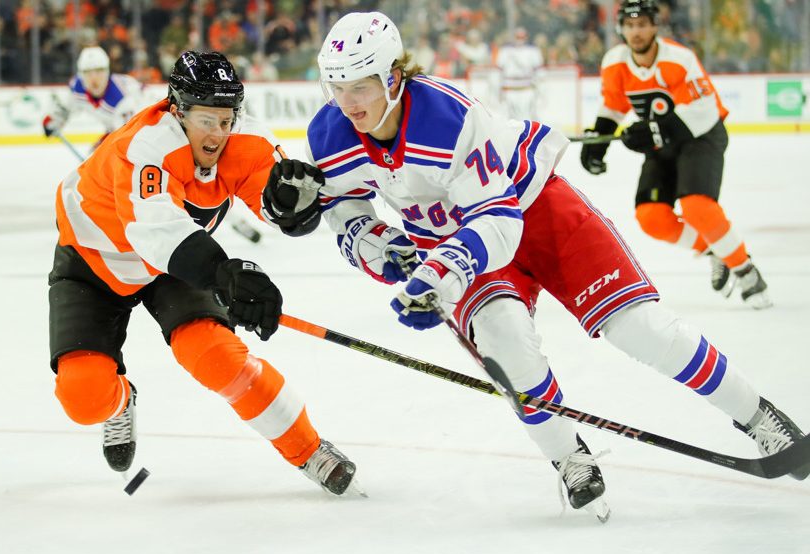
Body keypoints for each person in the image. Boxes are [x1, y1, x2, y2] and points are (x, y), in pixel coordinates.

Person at [263, 11, 808, 518]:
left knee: (642, 330)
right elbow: (349, 216)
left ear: (394, 77)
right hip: (459, 245)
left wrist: (438, 273)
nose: (348, 101)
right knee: (506, 346)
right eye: (336, 86)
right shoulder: (330, 133)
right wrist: (390, 252)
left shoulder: (446, 118)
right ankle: (569, 456)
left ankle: (760, 416)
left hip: (532, 210)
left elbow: (499, 219)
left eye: (360, 85)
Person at [48, 50, 357, 496]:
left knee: (216, 356)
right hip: (94, 262)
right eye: (205, 120)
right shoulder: (146, 146)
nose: (218, 133)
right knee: (83, 397)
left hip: (170, 263)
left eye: (226, 118)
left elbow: (277, 207)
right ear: (177, 111)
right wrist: (225, 273)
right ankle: (119, 403)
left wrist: (295, 209)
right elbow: (155, 231)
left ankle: (308, 449)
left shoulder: (244, 140)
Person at [580, 0, 770, 309]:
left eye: (642, 24)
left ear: (655, 26)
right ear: (621, 29)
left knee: (697, 208)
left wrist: (654, 131)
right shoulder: (614, 62)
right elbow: (614, 105)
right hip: (663, 144)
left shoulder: (679, 59)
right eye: (630, 25)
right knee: (652, 217)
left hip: (701, 137)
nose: (636, 31)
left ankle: (746, 271)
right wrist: (596, 143)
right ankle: (715, 251)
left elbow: (702, 110)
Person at [42, 46, 143, 150]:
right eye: (88, 73)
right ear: (81, 75)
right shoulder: (78, 88)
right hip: (119, 130)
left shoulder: (123, 95)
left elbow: (128, 138)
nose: (94, 78)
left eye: (99, 71)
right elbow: (65, 108)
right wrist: (54, 120)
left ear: (107, 72)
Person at [495, 27, 543, 120]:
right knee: (509, 117)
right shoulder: (505, 50)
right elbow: (499, 70)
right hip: (509, 87)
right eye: (518, 37)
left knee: (528, 116)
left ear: (526, 37)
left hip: (527, 88)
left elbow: (539, 71)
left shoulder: (533, 50)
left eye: (522, 37)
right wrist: (499, 88)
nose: (520, 40)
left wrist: (539, 88)